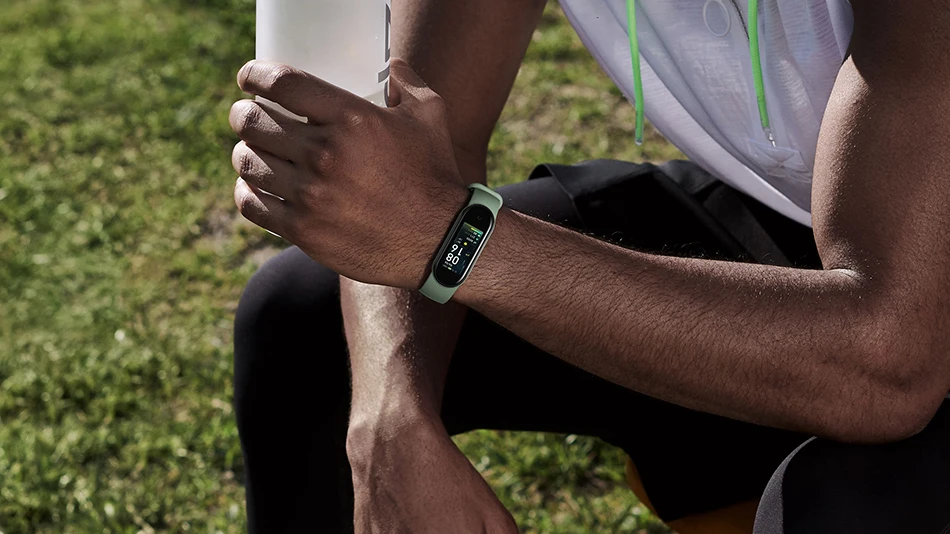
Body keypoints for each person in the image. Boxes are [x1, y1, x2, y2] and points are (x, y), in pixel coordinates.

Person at [228, 0, 950, 532]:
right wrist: (392, 419)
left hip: (913, 309)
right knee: (305, 327)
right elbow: (424, 134)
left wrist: (450, 237)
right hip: (790, 227)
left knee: (843, 507)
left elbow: (891, 360)